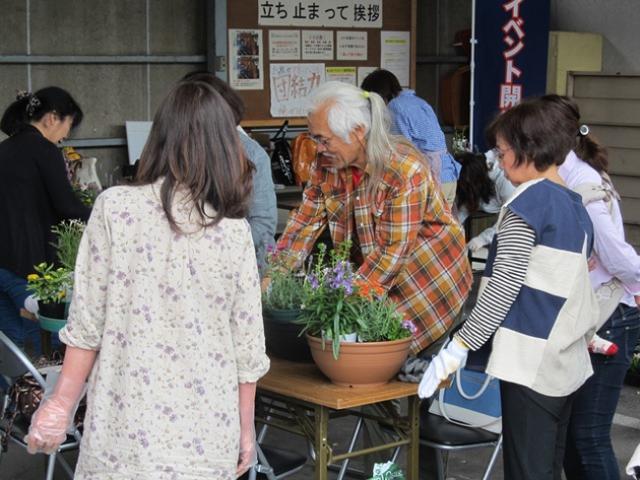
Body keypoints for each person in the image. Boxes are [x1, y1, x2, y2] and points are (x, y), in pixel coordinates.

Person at [26, 80, 270, 479]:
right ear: (225, 146)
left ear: (160, 137)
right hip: (207, 435)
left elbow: (87, 325)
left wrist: (60, 405)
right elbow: (247, 350)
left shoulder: (115, 208)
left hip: (124, 431)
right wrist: (246, 431)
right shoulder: (233, 231)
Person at [418, 97, 599, 480]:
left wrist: (459, 347)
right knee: (547, 468)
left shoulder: (525, 207)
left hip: (530, 361)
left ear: (527, 150)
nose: (498, 162)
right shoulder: (573, 204)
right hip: (566, 361)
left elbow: (501, 290)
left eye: (502, 152)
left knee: (527, 471)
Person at [275, 80, 472, 358]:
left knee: (403, 378)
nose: (317, 148)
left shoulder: (404, 170)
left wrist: (337, 310)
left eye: (323, 139)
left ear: (357, 133)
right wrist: (271, 279)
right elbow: (303, 225)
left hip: (428, 287)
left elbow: (390, 255)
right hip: (375, 288)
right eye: (314, 138)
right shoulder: (329, 164)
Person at [539, 94, 640, 480]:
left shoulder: (582, 181)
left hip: (608, 317)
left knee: (588, 437)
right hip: (588, 316)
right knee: (574, 440)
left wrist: (635, 280)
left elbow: (616, 254)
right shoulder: (563, 174)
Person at [0, 87, 90, 352]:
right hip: (29, 266)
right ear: (52, 118)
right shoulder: (44, 150)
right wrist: (104, 214)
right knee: (40, 342)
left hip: (3, 263)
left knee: (11, 346)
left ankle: (11, 392)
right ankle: (37, 393)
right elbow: (66, 206)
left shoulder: (4, 149)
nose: (65, 136)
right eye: (68, 126)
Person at [182, 71, 277, 277]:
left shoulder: (251, 154)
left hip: (242, 268)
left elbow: (263, 223)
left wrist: (212, 249)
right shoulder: (178, 149)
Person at [361, 69, 461, 205]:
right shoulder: (418, 101)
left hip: (432, 178)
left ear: (378, 95)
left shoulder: (394, 107)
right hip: (448, 176)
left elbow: (402, 150)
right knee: (441, 225)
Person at [455, 150, 515, 252]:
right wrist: (451, 229)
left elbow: (510, 220)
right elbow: (462, 209)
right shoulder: (474, 173)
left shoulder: (506, 180)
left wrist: (482, 239)